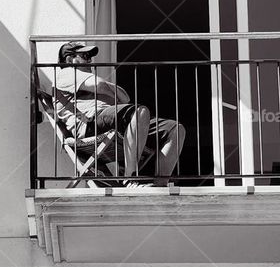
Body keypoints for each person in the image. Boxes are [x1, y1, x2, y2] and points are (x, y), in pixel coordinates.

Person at [53, 40, 185, 185]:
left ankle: (160, 184)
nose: (90, 61)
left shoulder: (82, 77)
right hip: (88, 123)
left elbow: (125, 97)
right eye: (85, 56)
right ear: (70, 59)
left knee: (174, 129)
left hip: (106, 121)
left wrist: (107, 88)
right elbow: (100, 85)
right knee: (139, 112)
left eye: (90, 56)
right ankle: (130, 178)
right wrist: (108, 88)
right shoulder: (66, 73)